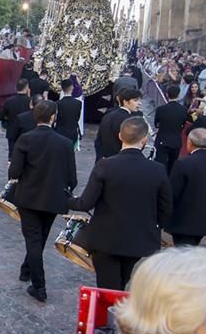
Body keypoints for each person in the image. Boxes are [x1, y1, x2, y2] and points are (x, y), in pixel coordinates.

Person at [69, 117, 172, 291]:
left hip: (106, 238)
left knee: (107, 287)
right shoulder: (157, 169)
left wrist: (67, 200)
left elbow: (86, 203)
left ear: (120, 136)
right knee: (122, 282)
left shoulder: (105, 165)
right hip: (139, 239)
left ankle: (111, 306)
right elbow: (166, 208)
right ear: (144, 139)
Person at [9, 101, 76, 301]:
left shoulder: (26, 139)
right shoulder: (65, 143)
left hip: (28, 198)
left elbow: (14, 172)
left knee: (33, 240)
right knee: (39, 238)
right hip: (53, 199)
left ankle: (39, 286)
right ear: (53, 117)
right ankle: (26, 271)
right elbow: (72, 179)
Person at [166, 128, 206, 247]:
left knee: (182, 251)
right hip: (205, 220)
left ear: (189, 142)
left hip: (183, 220)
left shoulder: (183, 164)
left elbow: (173, 193)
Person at [152, 84, 188, 174]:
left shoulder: (161, 109)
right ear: (178, 95)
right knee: (172, 166)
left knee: (160, 164)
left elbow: (156, 124)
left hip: (162, 140)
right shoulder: (183, 110)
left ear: (167, 94)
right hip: (176, 141)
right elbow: (183, 124)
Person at [95, 88, 139, 160]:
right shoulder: (130, 120)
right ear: (125, 101)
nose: (139, 103)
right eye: (135, 100)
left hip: (105, 159)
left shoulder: (108, 115)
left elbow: (98, 140)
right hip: (121, 160)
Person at [0, 79, 31, 153]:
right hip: (26, 132)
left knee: (12, 154)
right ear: (26, 88)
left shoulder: (9, 101)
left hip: (12, 131)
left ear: (16, 88)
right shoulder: (30, 101)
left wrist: (7, 118)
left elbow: (0, 116)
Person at [55, 79, 83, 146]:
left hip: (60, 133)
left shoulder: (57, 103)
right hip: (73, 133)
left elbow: (56, 119)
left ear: (62, 89)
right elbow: (77, 118)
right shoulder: (78, 103)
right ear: (72, 88)